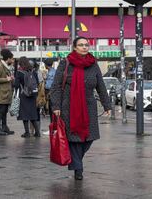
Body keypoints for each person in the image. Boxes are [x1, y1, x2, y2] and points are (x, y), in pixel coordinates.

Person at [50, 36, 111, 180]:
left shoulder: (93, 64)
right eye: (81, 45)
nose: (84, 47)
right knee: (74, 139)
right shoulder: (65, 63)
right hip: (69, 106)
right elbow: (56, 86)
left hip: (89, 106)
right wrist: (56, 106)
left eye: (86, 45)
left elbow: (101, 86)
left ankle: (75, 161)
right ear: (75, 47)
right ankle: (78, 168)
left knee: (89, 138)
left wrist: (107, 105)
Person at [14, 57, 40, 138]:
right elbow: (37, 83)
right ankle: (37, 132)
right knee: (32, 113)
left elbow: (16, 85)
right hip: (32, 95)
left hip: (24, 95)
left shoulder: (19, 72)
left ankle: (27, 132)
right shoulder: (33, 71)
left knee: (24, 114)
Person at [0, 49, 15, 136]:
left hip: (6, 93)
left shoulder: (5, 66)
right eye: (12, 59)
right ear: (8, 58)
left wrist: (10, 78)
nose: (12, 61)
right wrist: (7, 79)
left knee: (4, 111)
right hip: (1, 93)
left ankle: (4, 127)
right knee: (0, 111)